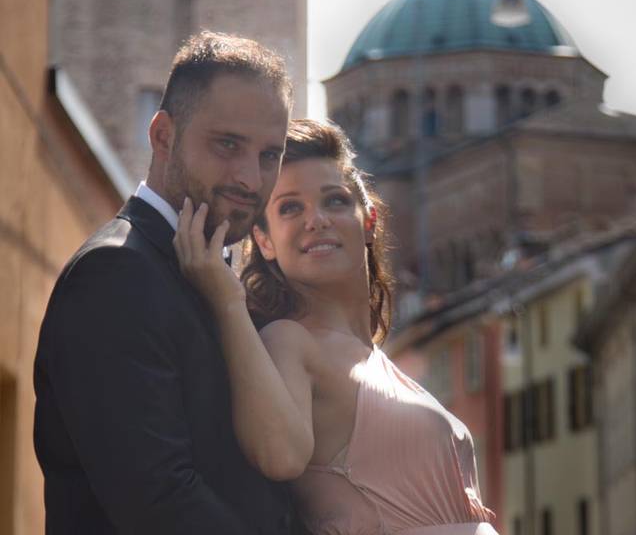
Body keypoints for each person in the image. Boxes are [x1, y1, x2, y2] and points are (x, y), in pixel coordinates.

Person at [174, 118, 498, 535]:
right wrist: (227, 302)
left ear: (368, 221)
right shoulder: (288, 341)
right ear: (265, 241)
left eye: (335, 201)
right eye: (290, 207)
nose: (317, 220)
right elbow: (280, 457)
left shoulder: (375, 360)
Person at [33, 31, 299, 534]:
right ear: (163, 137)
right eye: (228, 145)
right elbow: (160, 503)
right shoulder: (114, 273)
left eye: (269, 155)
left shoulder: (226, 283)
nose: (250, 178)